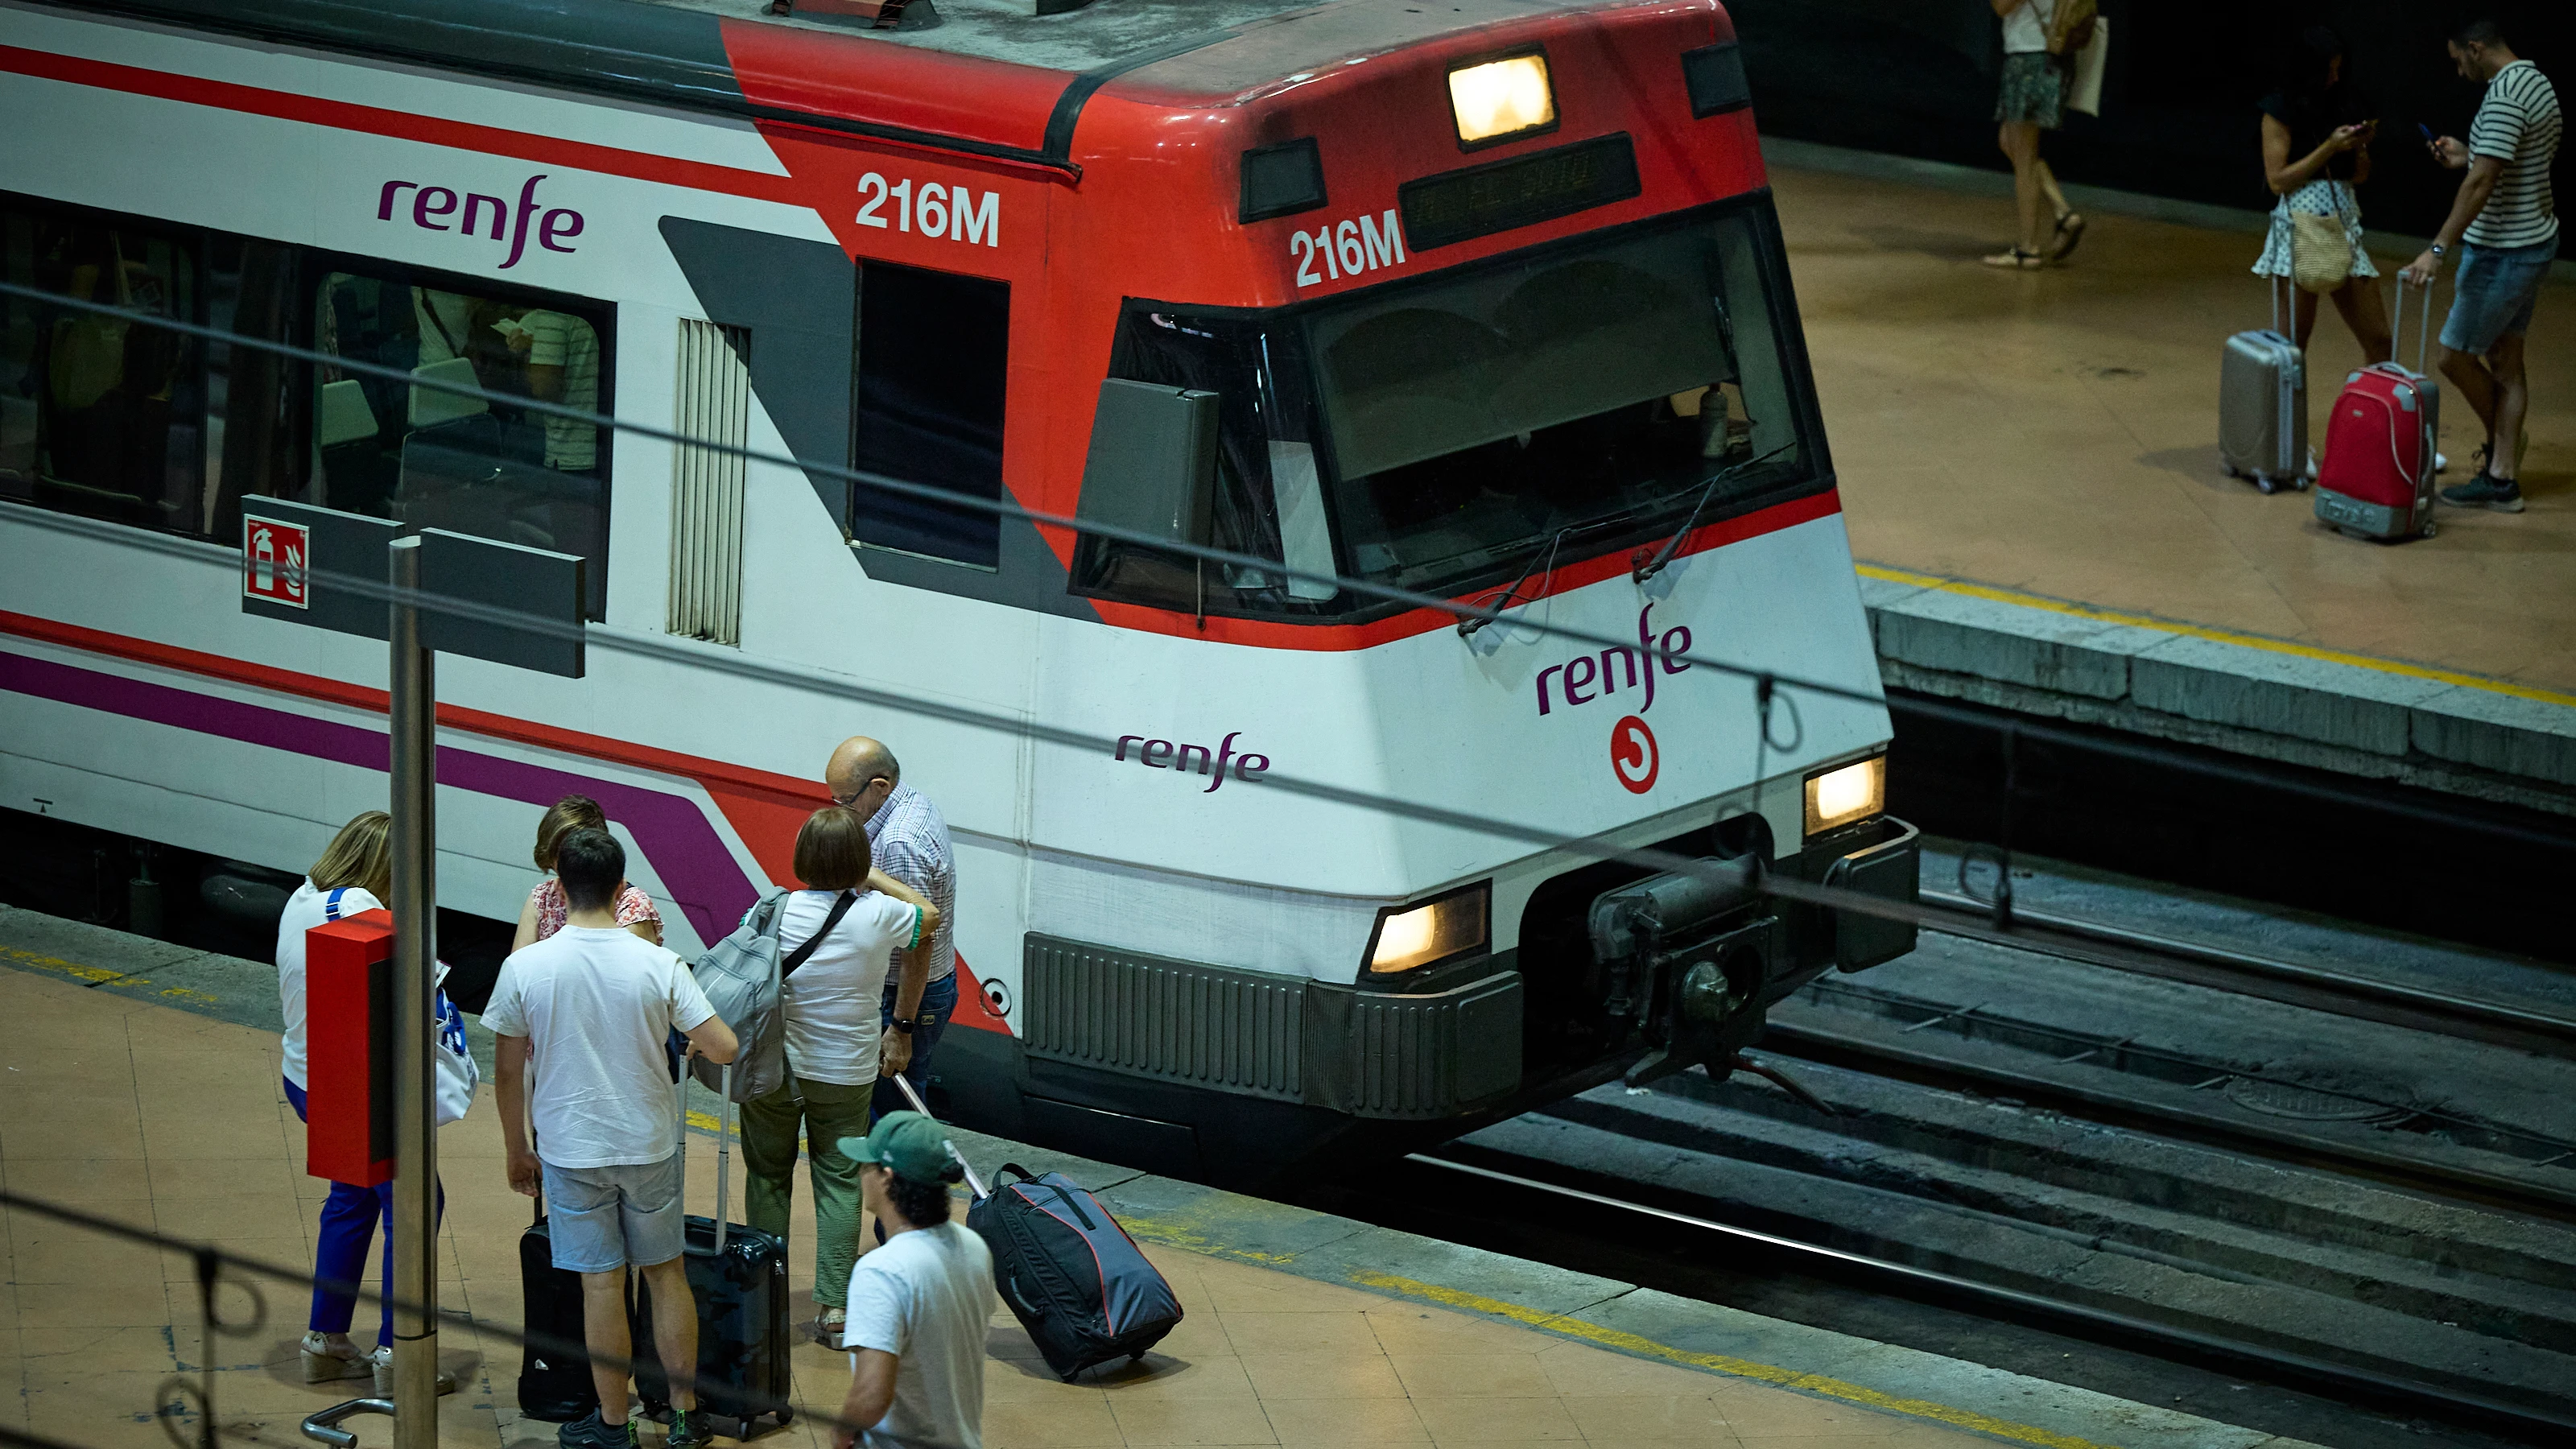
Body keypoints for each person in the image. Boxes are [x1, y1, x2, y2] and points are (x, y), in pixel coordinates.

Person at [485, 829, 740, 1449]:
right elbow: (724, 1046)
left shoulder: (526, 967)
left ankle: (610, 1424)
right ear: (622, 887)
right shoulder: (657, 963)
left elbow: (507, 1069)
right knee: (665, 1273)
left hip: (571, 1148)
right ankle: (683, 1414)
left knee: (600, 1283)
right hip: (648, 1142)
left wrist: (517, 1148)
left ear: (560, 888)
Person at [738, 807, 940, 1344]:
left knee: (767, 1175)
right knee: (837, 1179)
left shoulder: (777, 910)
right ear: (859, 859)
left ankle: (764, 1294)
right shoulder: (878, 915)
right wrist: (868, 874)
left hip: (774, 1068)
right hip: (845, 1073)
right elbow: (929, 916)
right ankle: (833, 1308)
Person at [275, 811, 458, 1394]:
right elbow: (424, 998)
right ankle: (398, 1354)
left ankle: (326, 1341)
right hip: (357, 1089)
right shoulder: (362, 912)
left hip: (308, 1078)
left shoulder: (303, 898)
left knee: (352, 1198)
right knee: (414, 1204)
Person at [2403, 19, 2561, 514]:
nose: (2459, 70)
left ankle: (2504, 461)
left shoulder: (2504, 96)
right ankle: (2503, 474)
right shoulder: (2535, 81)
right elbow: (2501, 163)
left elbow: (2482, 184)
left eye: (2458, 59)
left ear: (2475, 48)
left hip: (2502, 251)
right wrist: (2469, 155)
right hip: (2533, 241)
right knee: (2507, 364)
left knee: (2453, 356)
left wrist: (2437, 249)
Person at [831, 1112, 996, 1449]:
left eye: (867, 1165)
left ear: (887, 1178)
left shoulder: (882, 1271)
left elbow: (872, 1394)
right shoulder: (973, 1247)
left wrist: (841, 1434)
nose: (860, 1173)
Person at [824, 737, 960, 1123]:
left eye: (846, 801)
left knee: (893, 1120)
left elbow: (919, 939)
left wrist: (901, 1028)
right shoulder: (910, 801)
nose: (842, 809)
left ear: (879, 787)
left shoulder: (900, 843)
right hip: (919, 989)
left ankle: (900, 1184)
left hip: (904, 996)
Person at [2253, 27, 2393, 363]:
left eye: (2338, 69)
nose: (2333, 77)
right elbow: (2277, 181)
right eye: (2327, 70)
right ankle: (2286, 417)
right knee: (2293, 347)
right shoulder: (2279, 108)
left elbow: (2359, 176)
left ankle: (2367, 413)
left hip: (2344, 227)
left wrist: (2359, 148)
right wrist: (2329, 147)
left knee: (2379, 339)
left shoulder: (2343, 102)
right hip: (2300, 230)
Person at [1986, 0, 2088, 269]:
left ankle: (2028, 250)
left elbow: (2002, 6)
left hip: (2030, 58)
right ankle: (2063, 213)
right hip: (2051, 54)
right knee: (2009, 142)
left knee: (2025, 157)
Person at [514, 795, 663, 951]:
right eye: (562, 852)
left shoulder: (634, 906)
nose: (572, 861)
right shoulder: (542, 898)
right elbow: (519, 968)